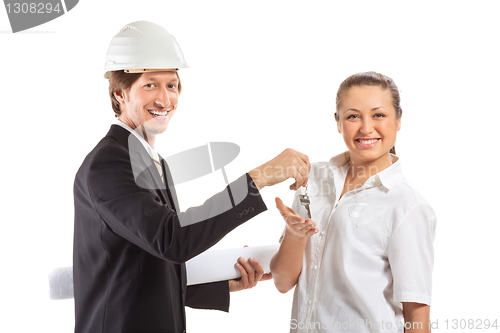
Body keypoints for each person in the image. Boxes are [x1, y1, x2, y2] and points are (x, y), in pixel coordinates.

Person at [73, 21, 311, 333]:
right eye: (150, 85)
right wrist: (259, 177)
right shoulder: (109, 162)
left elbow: (146, 262)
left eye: (171, 85)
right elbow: (172, 239)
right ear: (119, 93)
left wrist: (219, 284)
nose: (164, 100)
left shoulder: (152, 162)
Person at [270, 72, 437, 333]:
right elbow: (282, 281)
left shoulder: (407, 204)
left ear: (398, 120)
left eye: (378, 115)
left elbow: (417, 314)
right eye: (353, 116)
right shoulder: (312, 179)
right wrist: (294, 234)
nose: (366, 128)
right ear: (338, 122)